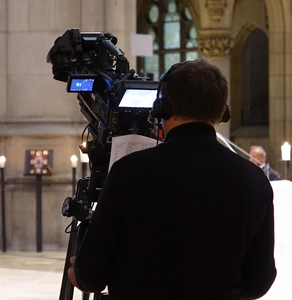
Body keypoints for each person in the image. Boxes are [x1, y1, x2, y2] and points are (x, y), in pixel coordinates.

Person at [68, 58, 276, 299]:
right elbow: (260, 281)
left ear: (163, 108)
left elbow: (92, 275)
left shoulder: (128, 172)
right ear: (222, 112)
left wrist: (79, 274)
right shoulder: (254, 180)